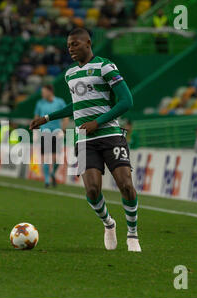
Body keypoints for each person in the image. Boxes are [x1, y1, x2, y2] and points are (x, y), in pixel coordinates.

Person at [29, 28, 140, 252]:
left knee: (126, 186)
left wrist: (98, 122)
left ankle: (132, 234)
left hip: (110, 135)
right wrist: (48, 117)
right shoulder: (70, 74)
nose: (70, 48)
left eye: (75, 44)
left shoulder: (105, 66)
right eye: (68, 45)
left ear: (88, 43)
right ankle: (109, 224)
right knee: (91, 190)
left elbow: (126, 101)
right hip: (84, 140)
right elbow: (76, 106)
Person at [33, 84, 69, 188]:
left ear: (50, 91)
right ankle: (47, 180)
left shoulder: (60, 102)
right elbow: (36, 117)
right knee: (45, 157)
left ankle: (52, 173)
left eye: (44, 92)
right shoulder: (40, 103)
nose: (42, 94)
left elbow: (65, 117)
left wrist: (63, 129)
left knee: (56, 159)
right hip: (45, 132)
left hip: (56, 132)